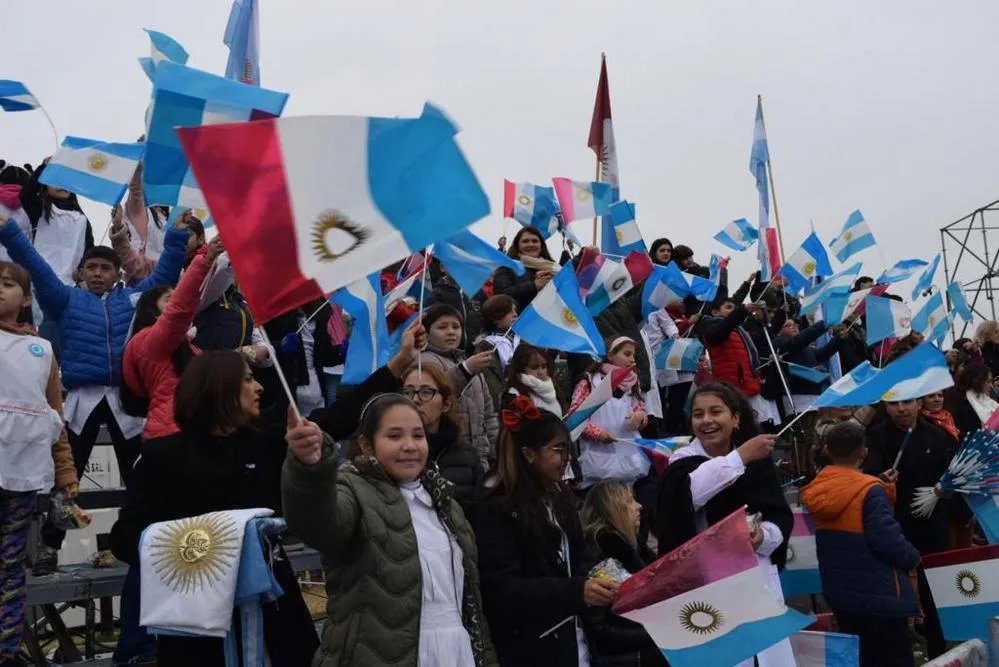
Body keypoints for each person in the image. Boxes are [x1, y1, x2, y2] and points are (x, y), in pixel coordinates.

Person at [0, 212, 191, 574]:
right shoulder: (65, 300)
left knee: (141, 477)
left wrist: (178, 238)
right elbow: (35, 267)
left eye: (106, 267)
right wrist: (8, 230)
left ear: (119, 272)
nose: (98, 273)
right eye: (92, 267)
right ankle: (50, 547)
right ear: (81, 271)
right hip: (81, 400)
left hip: (126, 400)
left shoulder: (135, 301)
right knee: (67, 478)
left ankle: (143, 541)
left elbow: (165, 279)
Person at [109, 351, 318, 666]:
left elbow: (340, 417)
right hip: (196, 620)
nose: (259, 387)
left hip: (273, 609)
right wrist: (191, 548)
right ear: (218, 386)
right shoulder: (162, 455)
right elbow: (124, 537)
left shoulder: (267, 444)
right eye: (248, 379)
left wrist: (396, 366)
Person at [283, 392, 498, 666]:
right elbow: (318, 524)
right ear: (366, 445)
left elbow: (472, 605)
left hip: (457, 652)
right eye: (394, 436)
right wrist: (310, 469)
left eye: (418, 436)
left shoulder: (446, 503)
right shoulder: (351, 489)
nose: (409, 446)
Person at [655, 382, 794, 667]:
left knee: (765, 655)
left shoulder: (758, 463)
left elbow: (779, 516)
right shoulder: (681, 461)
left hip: (756, 576)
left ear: (735, 418)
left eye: (715, 412)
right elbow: (689, 497)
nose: (706, 421)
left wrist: (763, 536)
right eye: (698, 414)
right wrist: (739, 457)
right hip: (707, 582)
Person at [473, 397, 619, 666]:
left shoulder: (560, 497)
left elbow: (576, 560)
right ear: (529, 454)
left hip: (575, 644)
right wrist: (575, 592)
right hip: (531, 650)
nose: (567, 459)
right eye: (559, 450)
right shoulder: (495, 509)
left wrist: (611, 576)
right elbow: (501, 590)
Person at [0, 261, 77, 664]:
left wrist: (65, 473)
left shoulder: (42, 349)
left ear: (26, 299)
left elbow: (54, 416)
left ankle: (7, 649)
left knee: (10, 565)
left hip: (24, 476)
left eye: (8, 284)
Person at [801, 422, 920, 667]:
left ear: (826, 449)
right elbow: (886, 540)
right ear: (863, 452)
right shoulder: (870, 492)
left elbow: (848, 495)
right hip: (880, 594)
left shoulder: (819, 488)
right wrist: (912, 556)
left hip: (842, 594)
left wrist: (876, 482)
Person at [863, 398, 955, 659]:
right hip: (894, 523)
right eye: (894, 404)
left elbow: (949, 475)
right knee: (893, 589)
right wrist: (880, 480)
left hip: (931, 522)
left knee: (934, 590)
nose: (901, 409)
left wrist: (947, 490)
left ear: (918, 404)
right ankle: (899, 648)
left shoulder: (937, 435)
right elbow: (868, 475)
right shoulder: (876, 436)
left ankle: (938, 647)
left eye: (907, 403)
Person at [121, 238, 224, 440]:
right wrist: (206, 259)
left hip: (192, 430)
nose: (176, 301)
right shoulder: (149, 342)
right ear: (151, 309)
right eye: (169, 299)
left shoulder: (186, 345)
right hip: (172, 434)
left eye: (177, 295)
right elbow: (181, 309)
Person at [579, 480, 665, 666]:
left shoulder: (633, 547)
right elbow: (600, 630)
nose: (639, 506)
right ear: (613, 509)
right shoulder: (601, 550)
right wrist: (657, 634)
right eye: (630, 501)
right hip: (624, 657)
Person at [421, 303, 499, 472]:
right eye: (442, 327)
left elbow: (489, 415)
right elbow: (436, 393)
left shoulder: (470, 363)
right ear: (427, 333)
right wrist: (465, 370)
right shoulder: (425, 361)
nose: (450, 332)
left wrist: (495, 452)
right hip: (447, 460)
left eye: (456, 327)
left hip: (480, 460)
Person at [569, 337, 649, 489]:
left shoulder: (633, 383)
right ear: (611, 355)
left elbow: (640, 409)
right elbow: (575, 417)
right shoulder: (589, 382)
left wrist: (640, 418)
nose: (632, 360)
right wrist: (598, 434)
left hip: (629, 461)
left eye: (634, 355)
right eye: (627, 354)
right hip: (598, 464)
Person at [402, 363, 483, 513]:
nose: (415, 399)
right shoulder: (396, 454)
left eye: (426, 392)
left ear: (446, 404)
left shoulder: (467, 454)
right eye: (408, 392)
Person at [697, 298, 781, 426]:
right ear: (715, 312)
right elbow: (719, 332)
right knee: (739, 427)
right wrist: (741, 312)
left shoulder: (739, 330)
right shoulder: (710, 325)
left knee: (758, 426)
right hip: (732, 386)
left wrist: (778, 315)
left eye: (734, 308)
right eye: (729, 307)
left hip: (748, 384)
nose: (733, 310)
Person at [474, 294, 520, 412]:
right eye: (510, 312)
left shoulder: (522, 339)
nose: (515, 315)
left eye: (515, 311)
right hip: (506, 403)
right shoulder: (486, 345)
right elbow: (492, 381)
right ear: (495, 316)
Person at [492, 226, 556, 310]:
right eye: (525, 241)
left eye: (535, 241)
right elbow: (501, 297)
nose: (530, 244)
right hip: (522, 320)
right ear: (517, 246)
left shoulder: (554, 268)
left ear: (541, 246)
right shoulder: (507, 267)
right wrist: (533, 286)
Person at [502, 344, 562, 416]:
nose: (541, 372)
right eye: (534, 367)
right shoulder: (514, 396)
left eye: (544, 366)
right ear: (521, 369)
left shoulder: (554, 389)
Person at [946, 361, 997, 440]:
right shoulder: (964, 406)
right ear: (977, 380)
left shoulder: (988, 400)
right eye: (988, 381)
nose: (991, 385)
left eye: (991, 381)